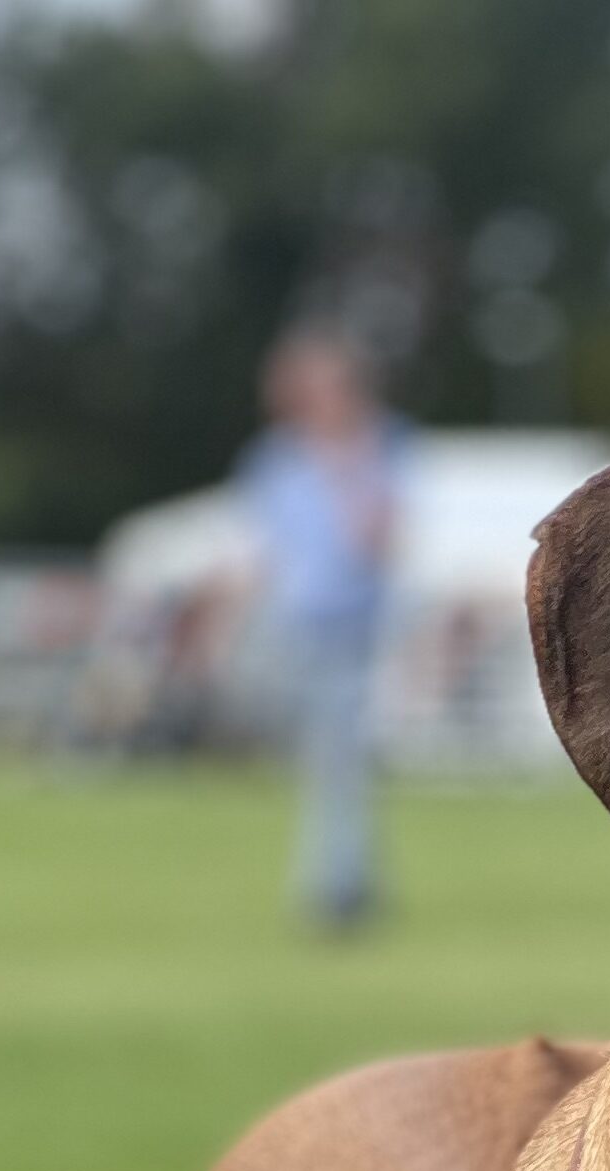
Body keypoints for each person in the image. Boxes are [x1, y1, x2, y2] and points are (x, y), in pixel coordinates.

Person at [234, 326, 408, 930]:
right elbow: (264, 554)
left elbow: (376, 539)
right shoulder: (275, 461)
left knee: (338, 763)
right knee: (323, 765)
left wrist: (344, 469)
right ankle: (340, 883)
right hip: (291, 629)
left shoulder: (380, 449)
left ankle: (337, 891)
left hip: (350, 627)